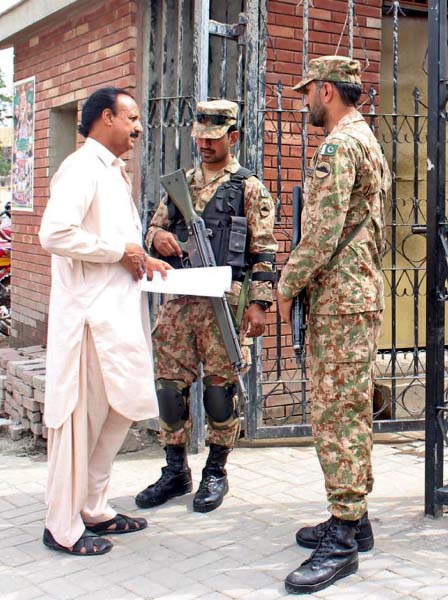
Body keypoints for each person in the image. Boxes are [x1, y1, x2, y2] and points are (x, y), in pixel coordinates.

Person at [38, 87, 170, 555]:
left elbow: (119, 245)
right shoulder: (80, 169)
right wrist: (120, 252)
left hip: (117, 321)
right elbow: (54, 234)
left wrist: (144, 259)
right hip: (90, 325)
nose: (138, 127)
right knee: (79, 424)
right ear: (106, 117)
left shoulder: (111, 172)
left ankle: (93, 508)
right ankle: (62, 526)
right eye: (131, 117)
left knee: (116, 415)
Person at [276, 56, 390, 594]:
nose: (304, 104)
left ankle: (343, 538)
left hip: (340, 301)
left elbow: (320, 233)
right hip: (356, 293)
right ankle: (355, 520)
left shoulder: (339, 146)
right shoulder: (366, 138)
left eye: (307, 95)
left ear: (326, 90)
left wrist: (284, 286)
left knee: (336, 414)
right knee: (350, 407)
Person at [135, 100, 277, 513]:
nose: (205, 146)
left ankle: (216, 470)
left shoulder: (248, 187)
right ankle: (175, 470)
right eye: (200, 139)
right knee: (169, 390)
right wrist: (156, 239)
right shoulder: (181, 183)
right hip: (179, 299)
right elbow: (155, 227)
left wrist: (259, 306)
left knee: (220, 391)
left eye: (214, 139)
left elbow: (265, 249)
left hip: (224, 302)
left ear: (233, 137)